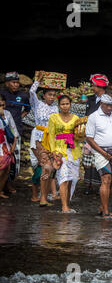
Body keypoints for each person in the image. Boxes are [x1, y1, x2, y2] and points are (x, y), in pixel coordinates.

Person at [29, 70, 60, 207]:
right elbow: (31, 93)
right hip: (39, 138)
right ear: (44, 95)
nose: (52, 97)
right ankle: (41, 198)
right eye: (50, 95)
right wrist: (38, 81)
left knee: (51, 169)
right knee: (45, 166)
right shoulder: (38, 104)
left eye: (54, 95)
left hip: (52, 140)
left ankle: (45, 196)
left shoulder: (55, 109)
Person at [48, 95, 82, 213]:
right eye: (62, 104)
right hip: (60, 152)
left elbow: (79, 135)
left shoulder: (76, 118)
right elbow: (51, 136)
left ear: (70, 104)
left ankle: (67, 203)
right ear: (59, 105)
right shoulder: (53, 118)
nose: (65, 106)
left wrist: (80, 135)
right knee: (64, 178)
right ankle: (64, 206)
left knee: (72, 179)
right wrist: (53, 152)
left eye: (67, 103)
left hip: (74, 150)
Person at [0, 71, 31, 192]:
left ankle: (9, 183)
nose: (16, 85)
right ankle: (3, 185)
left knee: (14, 160)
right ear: (7, 83)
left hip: (15, 131)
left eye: (17, 82)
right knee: (3, 159)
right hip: (2, 131)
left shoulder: (23, 96)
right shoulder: (2, 95)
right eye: (13, 82)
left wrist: (18, 118)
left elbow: (27, 109)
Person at [82, 74, 110, 195]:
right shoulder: (91, 99)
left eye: (94, 85)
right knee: (87, 161)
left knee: (98, 161)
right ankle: (88, 185)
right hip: (89, 135)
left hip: (101, 137)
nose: (92, 87)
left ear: (100, 86)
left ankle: (99, 186)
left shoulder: (108, 101)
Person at [0, 95, 18, 198]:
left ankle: (1, 190)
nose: (1, 107)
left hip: (5, 143)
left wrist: (13, 145)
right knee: (1, 169)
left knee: (7, 169)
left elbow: (13, 129)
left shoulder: (7, 114)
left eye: (3, 105)